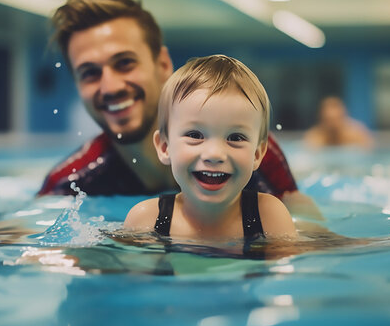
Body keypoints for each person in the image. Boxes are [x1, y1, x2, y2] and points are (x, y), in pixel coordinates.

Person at [39, 0, 322, 220]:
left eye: (125, 63)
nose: (110, 86)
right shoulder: (73, 181)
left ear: (162, 64)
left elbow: (307, 230)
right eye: (90, 73)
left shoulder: (251, 153)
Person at [124, 55, 297, 240]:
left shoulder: (268, 217)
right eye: (195, 136)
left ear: (257, 154)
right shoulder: (147, 221)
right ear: (165, 147)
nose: (214, 154)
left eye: (235, 137)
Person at [304, 96, 373, 149]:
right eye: (329, 119)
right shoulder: (315, 137)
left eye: (336, 119)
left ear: (344, 116)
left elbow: (369, 152)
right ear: (322, 119)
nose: (333, 124)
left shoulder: (358, 133)